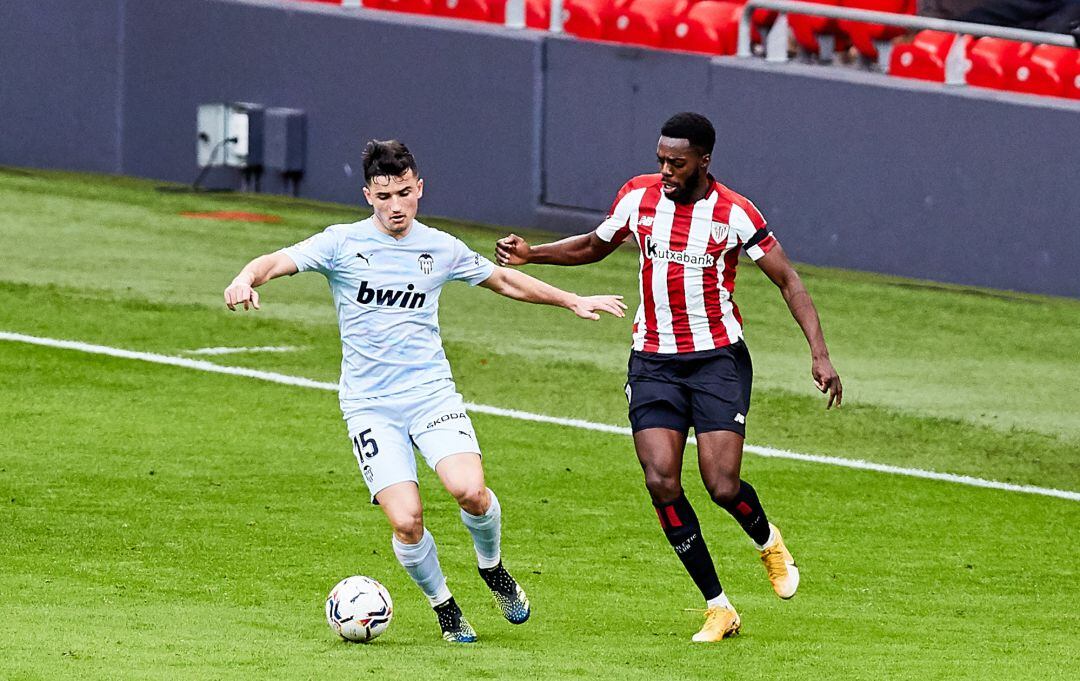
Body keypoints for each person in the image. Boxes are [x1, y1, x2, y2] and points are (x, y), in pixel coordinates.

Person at [224, 139, 626, 643]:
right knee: (407, 520)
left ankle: (493, 568)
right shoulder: (340, 243)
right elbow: (274, 260)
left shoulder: (440, 248)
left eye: (405, 193)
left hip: (431, 395)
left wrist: (571, 300)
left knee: (470, 492)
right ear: (368, 194)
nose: (396, 206)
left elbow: (504, 281)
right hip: (370, 407)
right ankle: (445, 607)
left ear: (420, 189)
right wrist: (244, 278)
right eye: (385, 195)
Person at [495, 112, 842, 643]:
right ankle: (718, 607)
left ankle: (767, 540)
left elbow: (788, 281)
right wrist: (533, 254)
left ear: (703, 160)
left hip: (716, 360)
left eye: (676, 162)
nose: (665, 170)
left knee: (721, 485)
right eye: (660, 159)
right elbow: (595, 244)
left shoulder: (735, 213)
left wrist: (819, 354)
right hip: (653, 359)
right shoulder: (638, 196)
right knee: (661, 480)